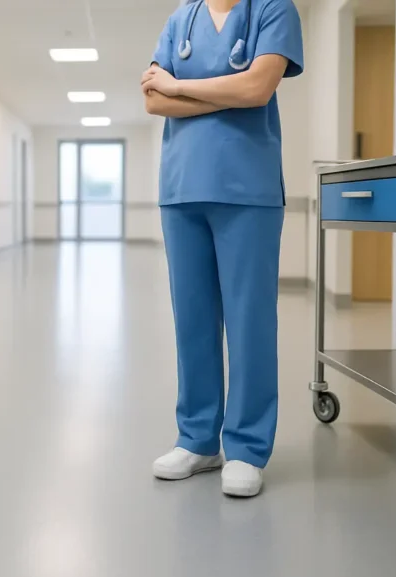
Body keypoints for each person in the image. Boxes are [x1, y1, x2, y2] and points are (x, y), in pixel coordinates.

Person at [141, 0, 304, 497]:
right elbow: (153, 101)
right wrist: (226, 93)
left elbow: (258, 87)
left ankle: (249, 448)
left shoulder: (273, 10)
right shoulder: (179, 20)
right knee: (191, 319)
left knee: (249, 321)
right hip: (181, 188)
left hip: (246, 189)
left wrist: (180, 85)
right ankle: (198, 440)